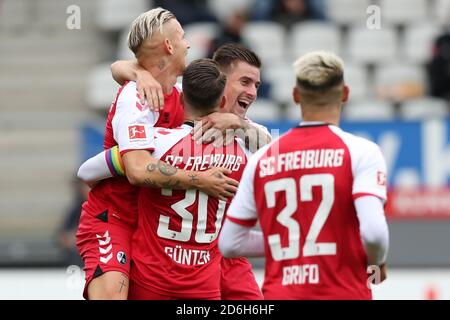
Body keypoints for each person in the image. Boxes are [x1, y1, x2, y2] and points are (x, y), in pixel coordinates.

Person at [79, 43, 269, 300]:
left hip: (206, 251)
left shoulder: (164, 140)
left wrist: (239, 124)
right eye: (245, 82)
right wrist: (140, 74)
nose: (252, 92)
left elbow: (89, 170)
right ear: (221, 85)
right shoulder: (168, 100)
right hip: (131, 226)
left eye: (256, 85)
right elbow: (119, 68)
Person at [219, 51, 390, 300]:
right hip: (343, 293)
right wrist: (378, 261)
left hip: (281, 293)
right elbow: (374, 232)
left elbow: (230, 243)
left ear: (296, 96)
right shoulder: (362, 152)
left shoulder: (263, 158)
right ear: (345, 94)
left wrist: (290, 240)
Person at [126, 58, 248, 299]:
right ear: (222, 102)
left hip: (150, 281)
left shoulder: (155, 143)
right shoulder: (242, 151)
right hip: (205, 285)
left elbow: (89, 171)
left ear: (181, 99)